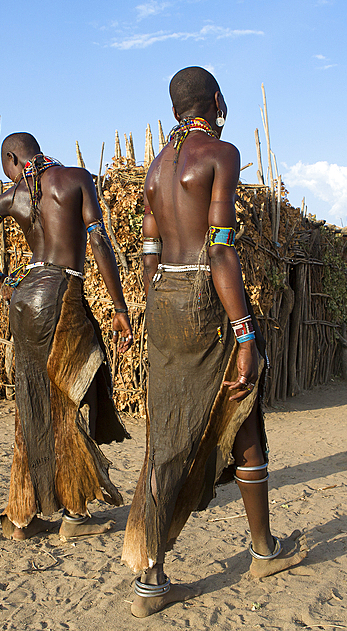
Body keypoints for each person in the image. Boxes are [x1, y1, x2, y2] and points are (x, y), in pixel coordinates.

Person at [121, 67, 306, 617]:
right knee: (240, 395)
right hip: (206, 296)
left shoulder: (155, 167)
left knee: (174, 428)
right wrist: (245, 332)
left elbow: (149, 247)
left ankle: (238, 555)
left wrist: (159, 298)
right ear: (216, 101)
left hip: (164, 301)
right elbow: (221, 251)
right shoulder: (219, 155)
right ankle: (257, 550)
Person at [0, 132, 134, 541]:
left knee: (31, 405)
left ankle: (22, 517)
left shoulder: (10, 198)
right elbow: (99, 240)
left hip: (25, 301)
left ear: (14, 158)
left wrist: (1, 278)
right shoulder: (76, 179)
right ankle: (73, 514)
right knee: (64, 402)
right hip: (61, 296)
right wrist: (119, 307)